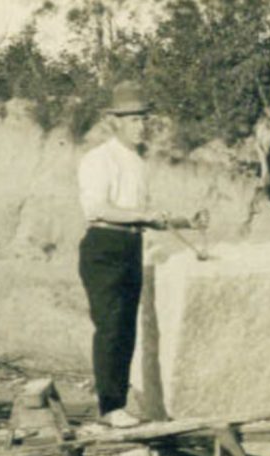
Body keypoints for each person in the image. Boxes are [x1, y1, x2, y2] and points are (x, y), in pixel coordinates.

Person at [77, 80, 202, 428]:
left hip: (130, 244)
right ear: (114, 121)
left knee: (127, 328)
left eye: (143, 119)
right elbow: (97, 208)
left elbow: (140, 214)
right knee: (111, 327)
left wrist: (181, 221)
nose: (140, 125)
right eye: (132, 119)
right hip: (104, 246)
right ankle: (110, 408)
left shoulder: (137, 162)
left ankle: (118, 403)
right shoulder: (98, 159)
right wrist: (144, 216)